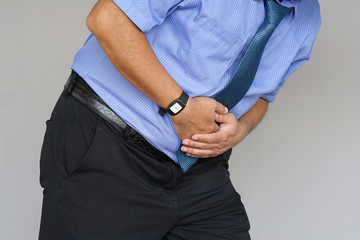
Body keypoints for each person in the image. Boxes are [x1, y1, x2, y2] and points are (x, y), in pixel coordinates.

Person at [38, 0, 321, 239]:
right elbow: (107, 20)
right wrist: (180, 107)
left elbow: (263, 95)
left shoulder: (307, 18)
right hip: (108, 145)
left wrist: (241, 129)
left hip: (199, 173)